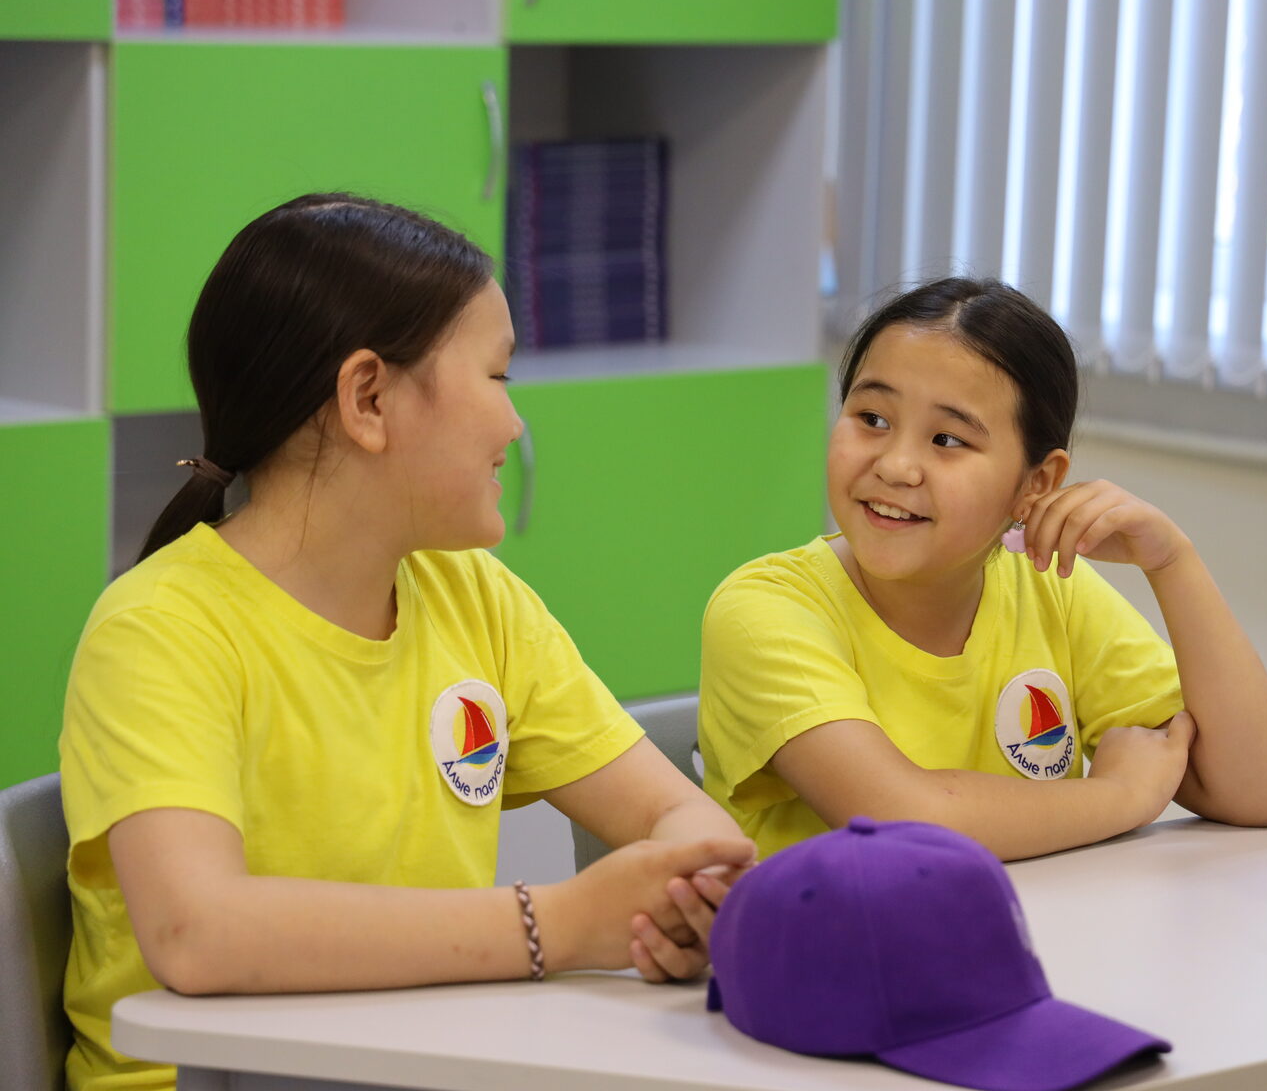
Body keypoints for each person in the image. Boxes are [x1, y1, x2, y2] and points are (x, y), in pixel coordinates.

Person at [59, 194, 752, 1091]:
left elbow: (682, 820)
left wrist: (687, 902)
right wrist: (559, 925)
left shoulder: (477, 601)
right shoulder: (160, 629)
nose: (514, 425)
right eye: (496, 377)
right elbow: (199, 933)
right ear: (369, 398)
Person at [698, 277, 1267, 859]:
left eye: (947, 440)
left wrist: (1172, 562)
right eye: (873, 419)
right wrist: (1121, 796)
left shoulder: (1047, 587)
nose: (896, 466)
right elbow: (901, 821)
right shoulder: (763, 610)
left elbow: (1257, 793)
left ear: (1035, 483)